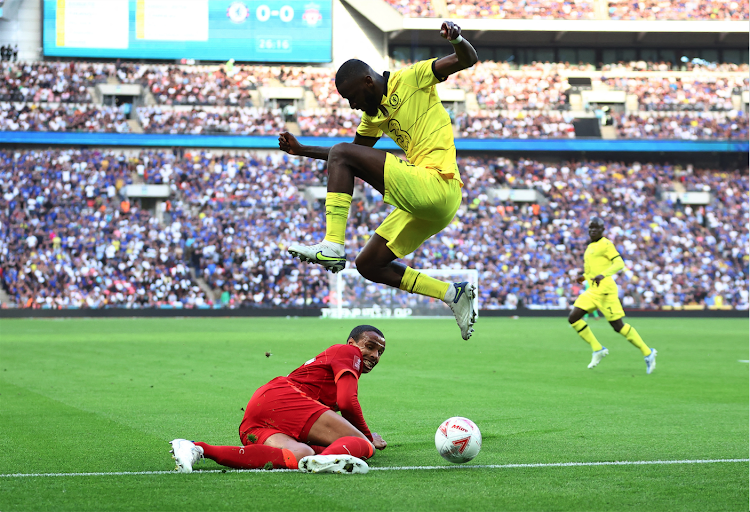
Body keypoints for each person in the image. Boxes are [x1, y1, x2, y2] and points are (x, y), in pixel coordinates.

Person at [278, 21, 479, 340]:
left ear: (368, 82)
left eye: (352, 96)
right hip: (429, 202)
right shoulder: (372, 116)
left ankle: (332, 243)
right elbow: (345, 156)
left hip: (437, 184)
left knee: (343, 154)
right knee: (369, 264)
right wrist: (303, 150)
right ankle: (452, 294)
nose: (351, 104)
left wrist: (456, 39)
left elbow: (467, 59)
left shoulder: (412, 78)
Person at [170, 325, 387, 474]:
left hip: (262, 411)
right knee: (364, 446)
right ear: (351, 342)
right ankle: (323, 463)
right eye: (370, 346)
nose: (375, 355)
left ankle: (195, 448)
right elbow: (348, 402)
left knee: (301, 453)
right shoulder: (347, 351)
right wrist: (368, 438)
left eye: (380, 352)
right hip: (286, 398)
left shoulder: (333, 367)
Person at [568, 217, 657, 373]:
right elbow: (590, 271)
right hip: (593, 290)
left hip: (606, 291)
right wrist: (582, 278)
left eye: (596, 228)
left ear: (602, 230)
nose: (592, 231)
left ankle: (648, 353)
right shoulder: (590, 247)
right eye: (590, 228)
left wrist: (603, 274)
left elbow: (619, 263)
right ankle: (597, 349)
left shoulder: (606, 244)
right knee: (573, 317)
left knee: (618, 326)